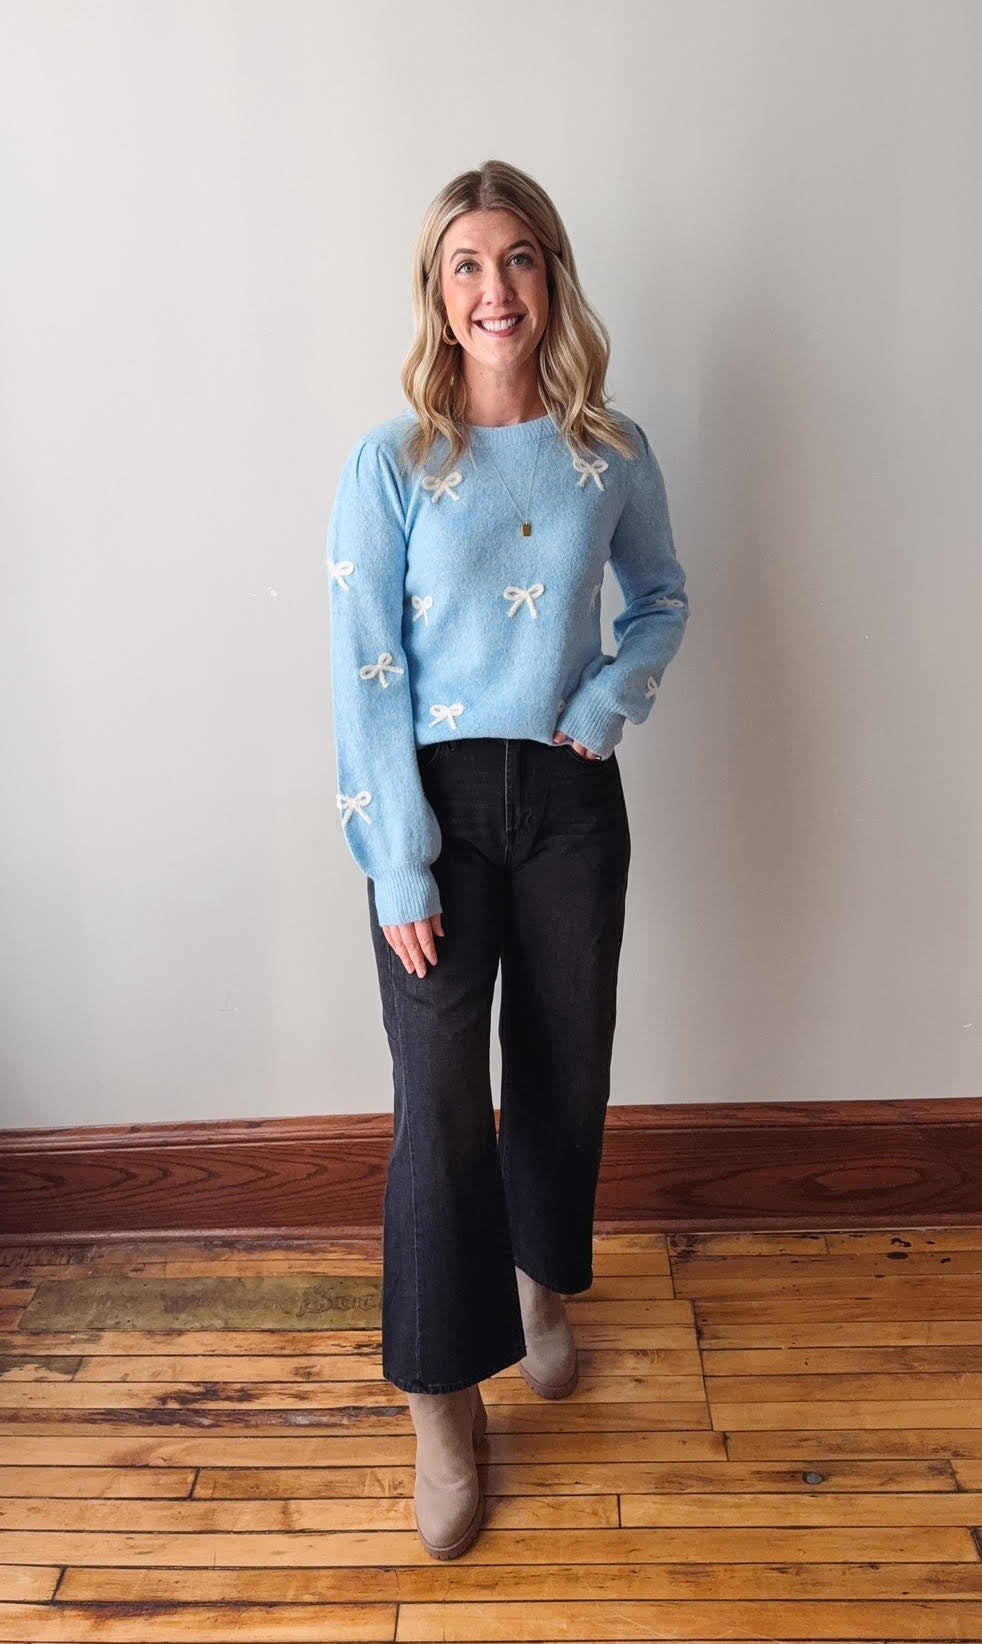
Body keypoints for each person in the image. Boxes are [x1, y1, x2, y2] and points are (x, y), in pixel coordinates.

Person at [325, 159, 689, 1560]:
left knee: (563, 1057)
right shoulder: (394, 461)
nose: (496, 289)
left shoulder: (612, 449)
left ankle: (542, 1277)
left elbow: (658, 599)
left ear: (552, 280)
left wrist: (604, 702)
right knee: (434, 1099)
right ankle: (438, 1396)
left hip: (568, 796)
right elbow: (365, 672)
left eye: (520, 260)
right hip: (432, 809)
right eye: (468, 264)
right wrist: (397, 860)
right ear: (438, 290)